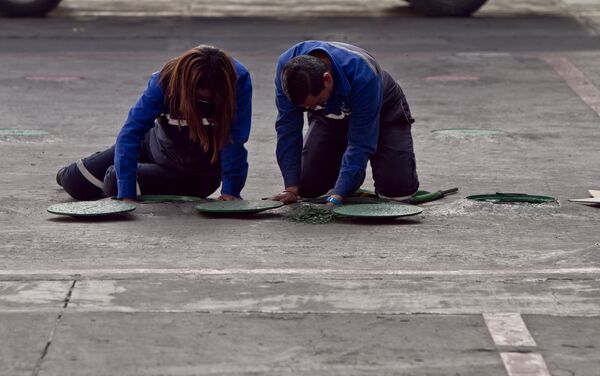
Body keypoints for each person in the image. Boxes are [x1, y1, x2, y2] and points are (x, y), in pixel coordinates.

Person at [56, 45, 252, 202]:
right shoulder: (164, 81)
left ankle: (142, 175)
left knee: (114, 182)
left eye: (211, 99)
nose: (206, 102)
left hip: (194, 173)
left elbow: (234, 140)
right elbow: (131, 132)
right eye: (200, 98)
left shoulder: (238, 80)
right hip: (154, 145)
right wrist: (127, 192)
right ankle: (78, 173)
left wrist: (230, 191)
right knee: (74, 183)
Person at [271, 41, 419, 206]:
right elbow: (287, 129)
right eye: (306, 107)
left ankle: (355, 177)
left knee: (397, 192)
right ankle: (347, 177)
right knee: (308, 188)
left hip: (383, 113)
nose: (312, 109)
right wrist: (291, 188)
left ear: (327, 79)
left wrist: (339, 194)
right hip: (331, 117)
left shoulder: (363, 72)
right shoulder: (287, 71)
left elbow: (361, 142)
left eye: (316, 102)